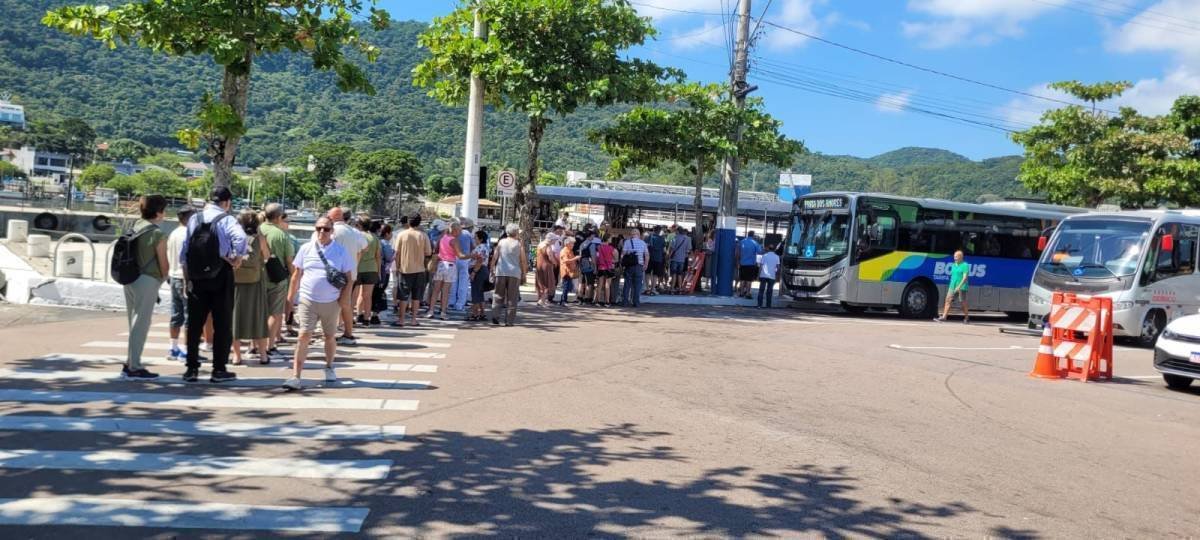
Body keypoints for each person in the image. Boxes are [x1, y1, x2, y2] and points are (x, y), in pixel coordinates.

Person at [181, 186, 247, 383]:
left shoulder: (195, 219)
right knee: (222, 323)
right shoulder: (227, 219)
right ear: (226, 202)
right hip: (221, 275)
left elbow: (185, 251)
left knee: (194, 324)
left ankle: (191, 368)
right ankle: (218, 369)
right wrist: (236, 258)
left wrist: (187, 280)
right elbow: (241, 238)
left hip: (196, 276)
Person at [282, 216, 354, 391]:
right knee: (303, 336)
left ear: (332, 231)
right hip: (308, 299)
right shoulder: (306, 248)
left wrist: (344, 299)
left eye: (326, 229)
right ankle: (296, 376)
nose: (322, 232)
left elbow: (349, 278)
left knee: (329, 336)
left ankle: (329, 366)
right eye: (319, 228)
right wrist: (290, 300)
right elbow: (296, 275)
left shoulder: (340, 251)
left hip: (331, 301)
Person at [121, 195, 169, 380]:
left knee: (133, 321)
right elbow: (163, 264)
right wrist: (163, 279)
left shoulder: (135, 226)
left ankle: (130, 361)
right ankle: (134, 366)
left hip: (130, 277)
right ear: (158, 213)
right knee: (141, 323)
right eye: (164, 210)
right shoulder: (157, 234)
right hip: (148, 280)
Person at [232, 210, 271, 366]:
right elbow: (267, 256)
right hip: (255, 283)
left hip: (236, 282)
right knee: (258, 318)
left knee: (235, 318)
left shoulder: (234, 237)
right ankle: (263, 355)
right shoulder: (259, 238)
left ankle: (236, 356)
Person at [326, 208, 367, 345]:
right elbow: (364, 247)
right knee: (346, 303)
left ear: (335, 216)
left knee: (328, 302)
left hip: (333, 273)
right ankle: (348, 333)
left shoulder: (331, 231)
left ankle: (329, 332)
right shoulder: (354, 232)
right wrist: (356, 260)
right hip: (350, 272)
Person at [260, 203, 294, 360]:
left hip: (256, 277)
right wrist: (295, 278)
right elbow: (289, 261)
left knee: (258, 312)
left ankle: (255, 345)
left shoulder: (257, 230)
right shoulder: (281, 235)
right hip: (277, 278)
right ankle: (270, 345)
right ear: (280, 217)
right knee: (275, 313)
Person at [392, 214, 432, 328]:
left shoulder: (401, 235)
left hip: (404, 269)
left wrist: (398, 266)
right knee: (417, 296)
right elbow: (428, 252)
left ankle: (401, 319)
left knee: (403, 296)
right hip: (419, 269)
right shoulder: (423, 235)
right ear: (419, 222)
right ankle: (414, 319)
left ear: (408, 222)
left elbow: (396, 253)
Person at [165, 207, 195, 361]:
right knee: (190, 316)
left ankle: (173, 348)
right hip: (185, 278)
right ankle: (186, 350)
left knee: (176, 315)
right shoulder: (188, 234)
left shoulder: (173, 233)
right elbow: (187, 260)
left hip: (173, 275)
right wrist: (188, 281)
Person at [429, 220, 471, 320]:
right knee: (446, 291)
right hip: (450, 265)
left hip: (440, 264)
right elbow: (460, 255)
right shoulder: (454, 240)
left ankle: (431, 310)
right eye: (460, 230)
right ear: (455, 230)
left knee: (436, 290)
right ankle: (443, 312)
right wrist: (472, 255)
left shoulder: (443, 238)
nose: (461, 232)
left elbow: (437, 250)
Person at [491, 223, 529, 326]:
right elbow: (523, 260)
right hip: (514, 273)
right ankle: (509, 320)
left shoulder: (501, 242)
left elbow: (495, 256)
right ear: (516, 232)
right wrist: (524, 273)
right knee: (512, 297)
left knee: (498, 295)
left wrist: (492, 269)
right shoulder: (519, 244)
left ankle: (495, 314)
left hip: (501, 271)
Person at [354, 216, 382, 328]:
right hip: (371, 268)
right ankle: (366, 318)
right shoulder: (374, 238)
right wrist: (379, 271)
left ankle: (357, 315)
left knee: (356, 294)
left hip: (358, 267)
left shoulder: (357, 236)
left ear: (359, 225)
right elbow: (378, 256)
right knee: (367, 295)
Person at [936, 250, 970, 323]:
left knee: (962, 303)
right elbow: (953, 276)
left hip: (962, 287)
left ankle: (967, 317)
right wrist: (951, 286)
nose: (955, 258)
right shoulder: (953, 265)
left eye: (956, 257)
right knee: (948, 300)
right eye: (954, 256)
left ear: (961, 257)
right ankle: (944, 317)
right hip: (952, 286)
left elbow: (965, 277)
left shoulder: (965, 265)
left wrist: (959, 286)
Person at [451, 218, 476, 312]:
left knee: (454, 282)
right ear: (470, 227)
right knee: (463, 283)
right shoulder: (468, 234)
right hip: (465, 259)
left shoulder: (454, 232)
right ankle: (460, 304)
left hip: (454, 258)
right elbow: (473, 247)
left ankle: (451, 301)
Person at [621, 227, 648, 307]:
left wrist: (622, 263)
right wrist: (645, 265)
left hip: (629, 266)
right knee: (638, 285)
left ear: (631, 235)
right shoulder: (643, 243)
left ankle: (625, 302)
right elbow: (647, 255)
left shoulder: (627, 242)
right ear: (639, 235)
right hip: (639, 266)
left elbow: (623, 254)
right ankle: (636, 302)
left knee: (627, 284)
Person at [468, 228, 491, 321]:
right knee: (480, 293)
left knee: (476, 293)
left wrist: (474, 272)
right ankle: (482, 313)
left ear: (480, 239)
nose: (474, 239)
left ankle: (475, 314)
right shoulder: (485, 247)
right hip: (482, 270)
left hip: (478, 270)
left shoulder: (480, 247)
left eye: (475, 238)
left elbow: (480, 260)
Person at [375, 223, 395, 322]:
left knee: (375, 292)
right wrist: (395, 254)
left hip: (376, 269)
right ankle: (378, 313)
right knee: (381, 291)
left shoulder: (377, 241)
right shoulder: (386, 244)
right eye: (391, 233)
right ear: (387, 233)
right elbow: (389, 258)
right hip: (384, 271)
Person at [578, 227, 601, 304]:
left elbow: (580, 255)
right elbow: (593, 256)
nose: (594, 237)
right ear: (590, 236)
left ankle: (580, 297)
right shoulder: (592, 245)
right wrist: (595, 267)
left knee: (581, 282)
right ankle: (587, 298)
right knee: (589, 282)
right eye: (593, 235)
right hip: (589, 264)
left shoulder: (582, 244)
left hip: (582, 264)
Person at [736, 231, 762, 298]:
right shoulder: (755, 243)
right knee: (749, 280)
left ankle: (741, 293)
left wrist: (738, 262)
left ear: (748, 234)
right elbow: (760, 252)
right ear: (753, 235)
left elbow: (737, 253)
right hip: (751, 264)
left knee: (742, 279)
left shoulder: (741, 242)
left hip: (742, 264)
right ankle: (747, 293)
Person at [668, 226, 692, 294]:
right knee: (680, 274)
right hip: (682, 259)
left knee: (674, 274)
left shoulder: (674, 238)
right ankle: (680, 289)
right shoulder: (687, 239)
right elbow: (688, 250)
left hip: (675, 258)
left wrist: (669, 256)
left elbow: (671, 248)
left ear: (677, 231)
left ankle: (672, 289)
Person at [595, 233, 617, 308]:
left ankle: (597, 301)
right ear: (607, 239)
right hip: (609, 268)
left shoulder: (599, 247)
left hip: (601, 267)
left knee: (600, 285)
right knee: (607, 285)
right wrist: (612, 260)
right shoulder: (611, 248)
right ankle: (607, 302)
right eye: (610, 238)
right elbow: (616, 258)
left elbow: (597, 257)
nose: (611, 239)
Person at [534, 236, 557, 307]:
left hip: (539, 265)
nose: (555, 241)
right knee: (547, 283)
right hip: (546, 266)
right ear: (551, 240)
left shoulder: (540, 244)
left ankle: (539, 299)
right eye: (554, 240)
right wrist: (555, 262)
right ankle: (542, 301)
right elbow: (550, 257)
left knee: (540, 283)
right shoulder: (548, 246)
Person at [558, 237, 581, 306]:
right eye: (572, 243)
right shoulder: (564, 251)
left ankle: (564, 300)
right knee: (566, 286)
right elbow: (565, 261)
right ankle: (563, 301)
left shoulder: (570, 250)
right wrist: (575, 258)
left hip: (570, 271)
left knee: (569, 287)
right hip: (566, 271)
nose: (573, 245)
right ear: (568, 244)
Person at [758, 242, 781, 309]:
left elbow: (761, 266)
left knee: (761, 290)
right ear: (774, 249)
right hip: (772, 276)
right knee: (769, 291)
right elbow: (778, 268)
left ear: (768, 249)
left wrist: (758, 275)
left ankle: (759, 305)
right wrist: (777, 276)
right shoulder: (777, 257)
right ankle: (768, 305)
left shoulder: (764, 256)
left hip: (763, 275)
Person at [645, 226, 666, 295]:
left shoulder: (649, 237)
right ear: (660, 231)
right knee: (655, 274)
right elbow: (664, 250)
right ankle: (653, 289)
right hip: (658, 258)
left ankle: (647, 288)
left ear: (653, 230)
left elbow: (645, 246)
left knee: (647, 273)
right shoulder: (662, 239)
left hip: (649, 257)